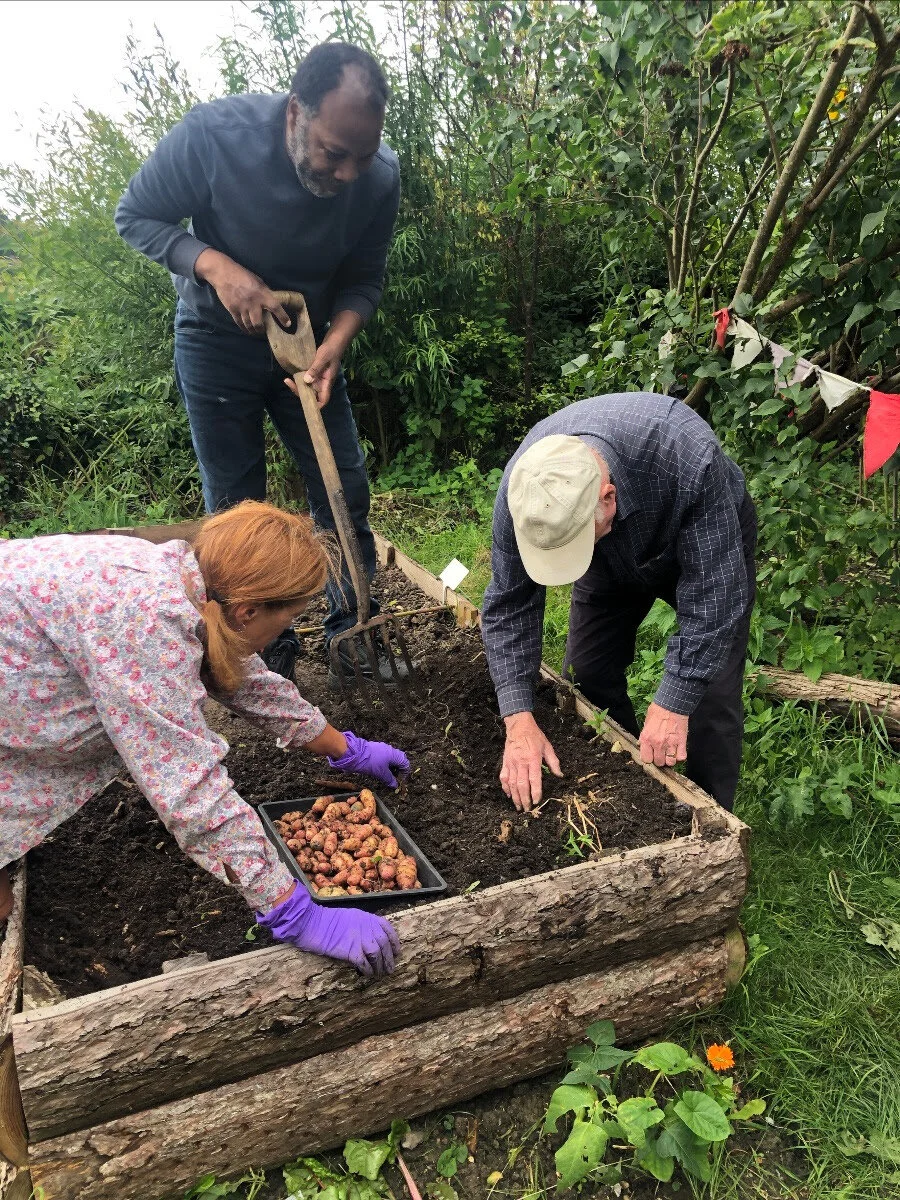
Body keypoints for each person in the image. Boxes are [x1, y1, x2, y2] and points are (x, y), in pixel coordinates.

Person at [0, 501, 408, 977]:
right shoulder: (145, 622)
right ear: (248, 610)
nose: (286, 632)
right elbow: (187, 784)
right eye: (288, 620)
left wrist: (345, 749)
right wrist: (288, 907)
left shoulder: (193, 585)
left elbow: (242, 678)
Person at [114, 41, 403, 687]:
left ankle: (352, 629)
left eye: (363, 154)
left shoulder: (379, 175)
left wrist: (338, 341)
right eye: (335, 152)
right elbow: (136, 216)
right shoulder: (215, 136)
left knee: (344, 490)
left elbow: (364, 277)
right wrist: (216, 268)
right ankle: (259, 655)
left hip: (308, 351)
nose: (350, 172)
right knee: (238, 509)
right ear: (296, 112)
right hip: (215, 342)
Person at [481, 393, 757, 813]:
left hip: (693, 542)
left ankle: (712, 820)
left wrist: (673, 701)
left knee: (710, 698)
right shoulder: (526, 494)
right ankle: (630, 785)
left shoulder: (686, 455)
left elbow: (714, 596)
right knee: (589, 672)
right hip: (607, 555)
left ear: (607, 497)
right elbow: (509, 605)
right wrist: (517, 718)